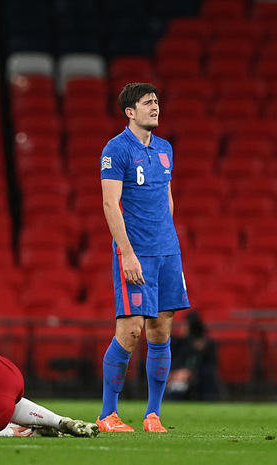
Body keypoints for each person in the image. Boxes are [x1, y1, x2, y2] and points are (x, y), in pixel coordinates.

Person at [97, 83, 189, 433]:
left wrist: (169, 242)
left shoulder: (165, 149)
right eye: (147, 102)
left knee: (161, 331)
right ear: (129, 112)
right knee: (131, 330)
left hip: (168, 252)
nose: (156, 107)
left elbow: (167, 199)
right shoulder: (115, 150)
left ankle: (153, 415)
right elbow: (110, 204)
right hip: (136, 254)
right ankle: (108, 414)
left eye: (157, 101)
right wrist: (127, 253)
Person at [167, 311, 220, 401]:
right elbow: (176, 359)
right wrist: (175, 372)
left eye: (187, 326)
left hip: (197, 375)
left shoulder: (205, 344)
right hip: (179, 374)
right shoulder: (179, 343)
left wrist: (190, 371)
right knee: (176, 387)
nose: (183, 328)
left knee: (205, 375)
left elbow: (208, 363)